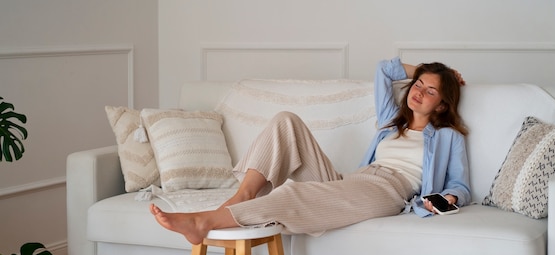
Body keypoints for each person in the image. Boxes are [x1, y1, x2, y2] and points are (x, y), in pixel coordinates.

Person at [150, 57, 471, 245]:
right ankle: (242, 197)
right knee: (286, 122)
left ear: (442, 103)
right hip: (354, 180)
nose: (419, 93)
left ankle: (205, 222)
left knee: (293, 194)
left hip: (390, 190)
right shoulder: (391, 121)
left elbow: (460, 185)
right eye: (418, 85)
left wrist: (448, 199)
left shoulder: (447, 137)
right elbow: (384, 71)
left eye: (431, 91)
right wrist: (432, 72)